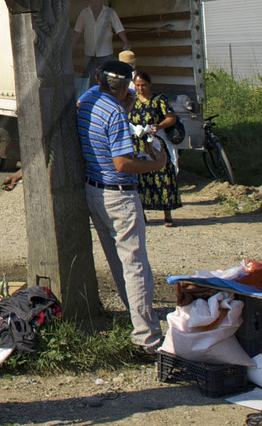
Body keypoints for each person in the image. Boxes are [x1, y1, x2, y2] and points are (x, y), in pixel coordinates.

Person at [77, 59, 165, 354]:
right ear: (126, 86)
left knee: (118, 262)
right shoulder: (115, 112)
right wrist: (156, 164)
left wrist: (123, 111)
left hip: (94, 190)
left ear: (99, 78)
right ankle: (147, 337)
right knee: (136, 265)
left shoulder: (89, 97)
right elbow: (122, 163)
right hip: (120, 194)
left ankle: (135, 316)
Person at [128, 69, 182, 227]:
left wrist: (158, 126)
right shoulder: (132, 100)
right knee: (141, 178)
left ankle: (167, 214)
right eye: (137, 85)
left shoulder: (159, 100)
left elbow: (171, 117)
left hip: (156, 142)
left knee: (163, 176)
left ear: (149, 84)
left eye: (143, 85)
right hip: (138, 143)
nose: (140, 88)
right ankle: (142, 213)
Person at [72, 0, 129, 96]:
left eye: (96, 2)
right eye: (91, 2)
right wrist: (73, 44)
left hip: (106, 53)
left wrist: (126, 43)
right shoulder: (84, 13)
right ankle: (94, 98)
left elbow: (119, 29)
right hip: (89, 53)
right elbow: (77, 30)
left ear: (101, 0)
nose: (93, 4)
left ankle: (108, 98)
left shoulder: (110, 12)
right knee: (92, 79)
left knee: (108, 77)